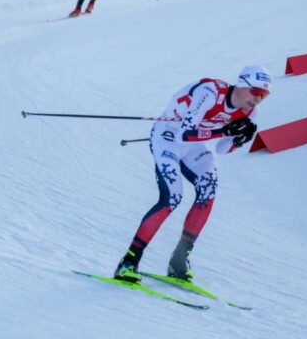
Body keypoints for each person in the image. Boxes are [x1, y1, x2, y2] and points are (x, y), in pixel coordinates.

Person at [113, 65, 271, 284]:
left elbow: (222, 149)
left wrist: (238, 140)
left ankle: (179, 259)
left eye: (264, 95)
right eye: (256, 91)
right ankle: (129, 261)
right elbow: (184, 135)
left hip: (194, 146)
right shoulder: (210, 92)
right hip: (168, 137)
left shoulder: (251, 112)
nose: (258, 99)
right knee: (172, 198)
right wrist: (224, 130)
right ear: (242, 84)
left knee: (208, 190)